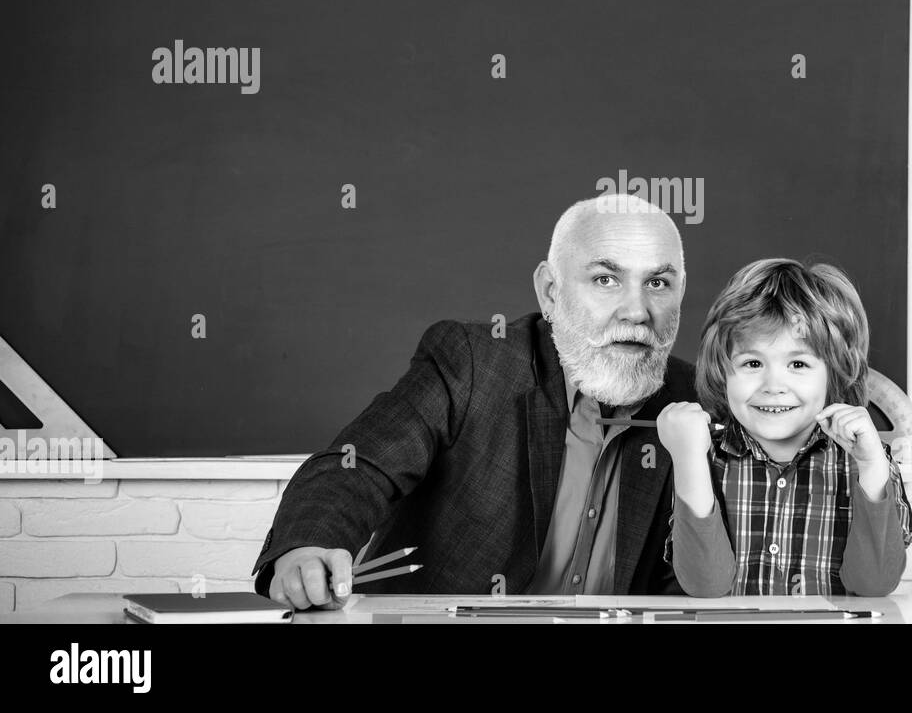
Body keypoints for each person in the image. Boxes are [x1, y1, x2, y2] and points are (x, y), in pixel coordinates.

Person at [252, 194, 692, 608]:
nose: (637, 311)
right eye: (606, 279)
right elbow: (360, 465)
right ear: (550, 293)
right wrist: (308, 544)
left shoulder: (697, 399)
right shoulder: (473, 363)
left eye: (657, 282)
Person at [657, 258, 912, 597]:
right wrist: (689, 458)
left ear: (833, 373)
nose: (773, 384)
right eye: (752, 363)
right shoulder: (704, 460)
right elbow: (707, 585)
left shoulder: (867, 461)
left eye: (798, 363)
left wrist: (870, 467)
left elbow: (874, 584)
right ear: (722, 372)